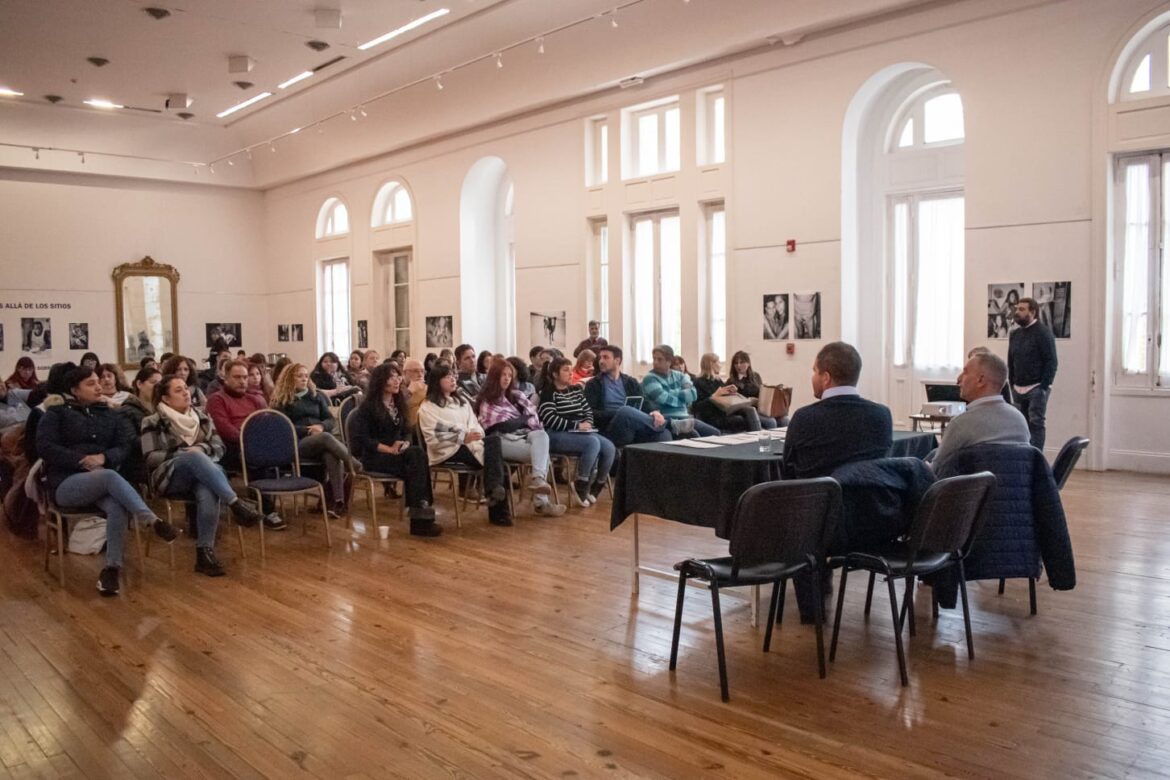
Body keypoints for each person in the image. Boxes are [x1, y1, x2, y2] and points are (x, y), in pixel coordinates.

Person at [36, 366, 176, 596]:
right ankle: (151, 520)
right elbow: (46, 447)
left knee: (117, 506)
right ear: (74, 390)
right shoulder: (56, 414)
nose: (99, 387)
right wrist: (81, 460)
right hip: (67, 483)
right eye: (90, 384)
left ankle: (111, 569)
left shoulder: (110, 414)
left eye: (98, 382)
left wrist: (104, 457)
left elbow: (125, 446)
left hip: (102, 483)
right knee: (111, 476)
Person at [140, 376, 267, 576]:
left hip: (205, 475)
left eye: (186, 389)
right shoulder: (152, 421)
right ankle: (235, 504)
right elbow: (150, 457)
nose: (186, 393)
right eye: (178, 390)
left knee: (207, 488)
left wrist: (199, 449)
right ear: (165, 398)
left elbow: (219, 447)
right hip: (170, 476)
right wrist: (185, 453)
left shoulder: (202, 417)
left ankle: (204, 553)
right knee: (195, 458)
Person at [347, 362, 440, 536]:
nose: (397, 381)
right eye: (392, 377)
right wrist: (388, 449)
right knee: (416, 463)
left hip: (397, 454)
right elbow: (364, 440)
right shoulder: (367, 408)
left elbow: (406, 432)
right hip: (375, 456)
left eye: (398, 377)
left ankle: (421, 512)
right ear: (381, 381)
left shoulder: (399, 405)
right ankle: (420, 514)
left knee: (417, 455)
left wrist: (402, 444)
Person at [418, 362, 513, 526]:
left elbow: (475, 423)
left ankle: (496, 498)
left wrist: (474, 434)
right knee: (496, 464)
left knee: (494, 442)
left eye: (454, 375)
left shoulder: (461, 403)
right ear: (436, 381)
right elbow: (435, 431)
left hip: (471, 443)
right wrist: (463, 435)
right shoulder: (428, 407)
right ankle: (497, 503)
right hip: (448, 449)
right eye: (447, 376)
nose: (453, 379)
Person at [781, 342, 892, 480]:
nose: (813, 377)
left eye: (815, 371)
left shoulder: (804, 418)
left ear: (826, 378)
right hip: (868, 499)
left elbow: (787, 469)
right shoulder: (882, 415)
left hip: (817, 499)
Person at [474, 360, 565, 517]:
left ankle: (538, 480)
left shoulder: (516, 397)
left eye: (510, 375)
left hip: (522, 436)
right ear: (495, 376)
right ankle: (541, 503)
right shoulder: (486, 400)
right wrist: (523, 418)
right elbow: (502, 426)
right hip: (499, 441)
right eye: (503, 375)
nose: (507, 378)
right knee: (541, 456)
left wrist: (521, 420)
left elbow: (533, 419)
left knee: (542, 435)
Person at [206, 360, 286, 530]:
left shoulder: (254, 399)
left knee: (274, 451)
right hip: (229, 448)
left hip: (255, 445)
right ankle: (268, 510)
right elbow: (225, 429)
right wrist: (250, 440)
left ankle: (261, 504)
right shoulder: (217, 399)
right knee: (257, 454)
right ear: (225, 378)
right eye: (237, 377)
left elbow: (266, 426)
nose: (242, 381)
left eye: (244, 377)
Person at [270, 363, 356, 517]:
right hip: (297, 442)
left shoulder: (315, 396)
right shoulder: (282, 400)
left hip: (320, 439)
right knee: (326, 438)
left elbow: (330, 420)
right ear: (289, 379)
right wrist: (309, 430)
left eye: (305, 375)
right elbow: (281, 427)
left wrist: (322, 426)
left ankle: (337, 502)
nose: (304, 379)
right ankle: (355, 464)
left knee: (331, 454)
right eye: (299, 376)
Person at [930, 351, 1031, 475]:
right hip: (1015, 493)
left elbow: (934, 472)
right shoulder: (1019, 420)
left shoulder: (961, 424)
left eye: (965, 372)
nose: (959, 379)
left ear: (981, 380)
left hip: (968, 492)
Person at [538, 356, 617, 507]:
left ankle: (595, 487)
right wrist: (576, 425)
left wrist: (587, 424)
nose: (570, 373)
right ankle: (581, 483)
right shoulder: (548, 392)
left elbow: (587, 411)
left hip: (580, 433)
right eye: (565, 370)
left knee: (609, 447)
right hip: (555, 434)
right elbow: (549, 419)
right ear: (555, 374)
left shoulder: (576, 390)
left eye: (571, 369)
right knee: (592, 443)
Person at [582, 345, 671, 448]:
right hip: (610, 428)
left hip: (633, 427)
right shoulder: (594, 384)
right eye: (600, 357)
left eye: (606, 357)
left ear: (617, 360)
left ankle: (667, 426)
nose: (601, 361)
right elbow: (591, 413)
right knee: (625, 411)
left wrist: (655, 412)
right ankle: (669, 423)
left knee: (664, 435)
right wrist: (618, 413)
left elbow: (644, 402)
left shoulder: (630, 382)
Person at [1008, 296, 1058, 450]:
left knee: (1036, 423)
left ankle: (1036, 458)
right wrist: (1012, 382)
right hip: (1017, 388)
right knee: (1020, 425)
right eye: (1017, 309)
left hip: (1036, 388)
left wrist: (1043, 387)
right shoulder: (1015, 334)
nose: (1017, 312)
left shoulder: (1043, 333)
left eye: (1022, 309)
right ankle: (1023, 455)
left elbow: (1052, 361)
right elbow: (1011, 360)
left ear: (1033, 312)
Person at [641, 345, 720, 437]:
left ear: (669, 361)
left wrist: (670, 392)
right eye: (654, 359)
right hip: (667, 419)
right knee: (695, 436)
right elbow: (662, 398)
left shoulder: (679, 375)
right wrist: (682, 397)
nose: (655, 362)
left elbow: (693, 394)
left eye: (659, 359)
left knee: (715, 434)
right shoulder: (649, 378)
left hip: (685, 417)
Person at [692, 353, 766, 432]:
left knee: (750, 410)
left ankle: (758, 435)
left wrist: (731, 392)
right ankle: (758, 435)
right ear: (711, 364)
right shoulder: (698, 382)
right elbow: (697, 407)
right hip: (713, 416)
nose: (721, 365)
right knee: (742, 419)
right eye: (718, 362)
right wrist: (714, 396)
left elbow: (726, 399)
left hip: (724, 412)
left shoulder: (717, 380)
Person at [116, 365, 162, 486]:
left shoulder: (163, 409)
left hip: (164, 458)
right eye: (153, 382)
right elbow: (132, 442)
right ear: (139, 384)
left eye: (160, 383)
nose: (157, 387)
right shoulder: (127, 410)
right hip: (140, 464)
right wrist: (164, 439)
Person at [727, 350, 779, 428]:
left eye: (741, 362)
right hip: (745, 410)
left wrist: (764, 389)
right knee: (771, 422)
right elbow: (732, 402)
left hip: (760, 407)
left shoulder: (756, 376)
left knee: (784, 420)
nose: (738, 365)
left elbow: (760, 394)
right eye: (736, 363)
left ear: (748, 363)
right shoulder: (731, 380)